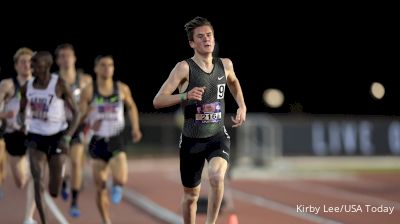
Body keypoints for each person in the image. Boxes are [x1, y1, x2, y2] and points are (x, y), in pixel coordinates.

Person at [153, 16, 246, 224]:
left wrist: (242, 105)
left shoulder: (226, 64)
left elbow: (234, 82)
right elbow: (158, 101)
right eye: (200, 36)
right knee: (190, 197)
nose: (206, 39)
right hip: (191, 140)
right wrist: (185, 95)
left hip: (217, 136)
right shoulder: (183, 68)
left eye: (209, 35)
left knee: (216, 176)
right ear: (192, 43)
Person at [79, 55, 142, 224]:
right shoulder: (89, 91)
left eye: (110, 65)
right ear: (96, 69)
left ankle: (118, 186)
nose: (107, 68)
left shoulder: (121, 88)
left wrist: (135, 127)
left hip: (116, 137)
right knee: (100, 187)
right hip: (97, 140)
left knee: (121, 178)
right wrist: (88, 117)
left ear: (113, 68)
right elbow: (81, 115)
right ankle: (105, 220)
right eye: (103, 65)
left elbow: (132, 106)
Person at [19, 51, 80, 224]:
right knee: (37, 180)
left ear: (46, 66)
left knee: (54, 189)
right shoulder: (27, 87)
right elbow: (22, 112)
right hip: (35, 137)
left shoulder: (59, 84)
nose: (32, 68)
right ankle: (44, 221)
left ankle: (61, 181)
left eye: (35, 64)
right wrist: (22, 122)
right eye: (31, 64)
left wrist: (67, 137)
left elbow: (76, 113)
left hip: (57, 137)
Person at [0, 47, 38, 224]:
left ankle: (28, 218)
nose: (26, 65)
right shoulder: (7, 85)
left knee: (37, 175)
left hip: (34, 135)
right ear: (15, 66)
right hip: (13, 136)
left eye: (30, 61)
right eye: (22, 61)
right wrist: (2, 115)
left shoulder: (41, 85)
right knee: (21, 181)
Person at [54, 43, 92, 217]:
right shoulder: (52, 80)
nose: (66, 59)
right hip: (57, 126)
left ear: (74, 58)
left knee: (76, 162)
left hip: (78, 126)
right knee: (60, 162)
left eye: (68, 55)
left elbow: (92, 102)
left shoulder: (85, 80)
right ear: (57, 60)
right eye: (62, 56)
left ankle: (74, 201)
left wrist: (87, 119)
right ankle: (62, 182)